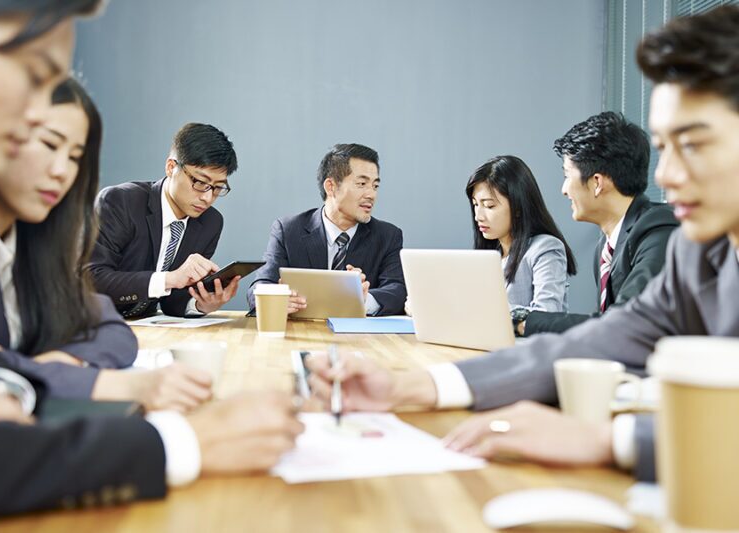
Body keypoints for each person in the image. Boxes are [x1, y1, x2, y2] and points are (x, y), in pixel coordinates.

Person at [306, 3, 739, 483]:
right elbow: (598, 341)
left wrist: (608, 441)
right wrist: (412, 386)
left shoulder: (664, 236)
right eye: (665, 148)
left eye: (694, 144)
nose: (665, 175)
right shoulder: (696, 253)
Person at [0, 1, 301, 522]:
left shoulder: (38, 235)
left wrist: (200, 304)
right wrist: (173, 434)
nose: (36, 111)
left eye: (75, 156)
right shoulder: (119, 203)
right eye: (33, 74)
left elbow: (103, 326)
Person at [0, 79, 211, 410]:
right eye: (50, 145)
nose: (61, 171)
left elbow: (113, 330)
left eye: (75, 157)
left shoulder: (35, 241)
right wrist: (106, 382)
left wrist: (48, 366)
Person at [517, 112, 678, 336]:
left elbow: (625, 322)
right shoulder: (605, 249)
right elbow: (604, 326)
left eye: (567, 176)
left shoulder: (660, 231)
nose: (564, 190)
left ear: (597, 183)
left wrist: (526, 322)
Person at [88, 123, 240, 319]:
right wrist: (170, 279)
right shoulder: (121, 201)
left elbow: (172, 301)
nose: (207, 197)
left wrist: (201, 304)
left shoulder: (210, 222)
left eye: (218, 187)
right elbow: (91, 278)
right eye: (200, 183)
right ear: (171, 167)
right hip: (90, 323)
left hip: (147, 327)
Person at [247, 143, 406, 316]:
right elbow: (259, 287)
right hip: (300, 335)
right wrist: (277, 299)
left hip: (359, 340)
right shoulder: (289, 230)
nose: (371, 194)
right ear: (330, 186)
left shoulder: (388, 235)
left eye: (375, 186)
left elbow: (397, 291)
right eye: (361, 184)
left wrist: (363, 299)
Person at [465, 155, 576, 324]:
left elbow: (547, 314)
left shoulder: (545, 248)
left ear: (518, 206)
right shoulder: (490, 255)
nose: (478, 216)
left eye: (489, 205)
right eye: (475, 204)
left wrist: (483, 310)